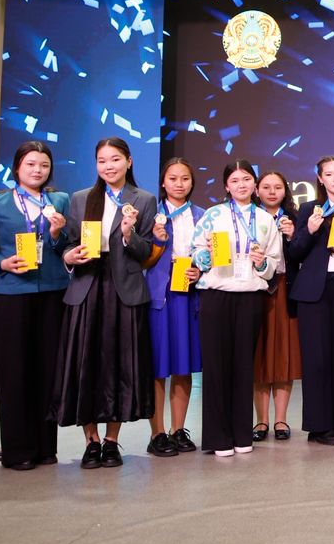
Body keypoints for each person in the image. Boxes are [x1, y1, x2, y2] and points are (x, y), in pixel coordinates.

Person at [55, 137, 158, 469]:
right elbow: (69, 245)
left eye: (115, 159)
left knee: (120, 367)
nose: (108, 166)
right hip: (87, 288)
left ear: (129, 161)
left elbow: (146, 253)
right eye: (102, 160)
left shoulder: (144, 199)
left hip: (124, 290)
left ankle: (112, 440)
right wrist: (69, 256)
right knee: (86, 365)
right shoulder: (81, 198)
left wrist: (129, 234)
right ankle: (91, 441)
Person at [0, 140, 70, 471]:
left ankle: (46, 447)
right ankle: (18, 450)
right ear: (17, 167)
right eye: (31, 164)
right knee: (14, 371)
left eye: (44, 165)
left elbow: (66, 246)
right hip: (13, 295)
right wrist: (2, 264)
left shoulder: (60, 201)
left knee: (48, 370)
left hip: (53, 293)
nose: (37, 170)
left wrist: (58, 234)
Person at [192, 160, 279, 456]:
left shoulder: (265, 219)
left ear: (254, 184)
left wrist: (262, 263)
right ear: (226, 186)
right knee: (216, 366)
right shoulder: (213, 215)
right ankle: (218, 437)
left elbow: (274, 264)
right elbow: (196, 251)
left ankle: (243, 434)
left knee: (244, 365)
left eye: (246, 179)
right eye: (235, 180)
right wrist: (205, 256)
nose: (241, 185)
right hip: (216, 294)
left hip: (250, 296)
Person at [287, 155, 334, 445]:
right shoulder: (309, 209)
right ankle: (318, 427)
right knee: (316, 358)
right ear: (320, 178)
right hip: (312, 291)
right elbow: (294, 252)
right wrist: (310, 230)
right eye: (329, 174)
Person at [142, 158, 203, 457]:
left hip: (189, 295)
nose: (179, 184)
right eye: (173, 178)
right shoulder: (151, 215)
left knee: (183, 363)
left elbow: (215, 256)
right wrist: (157, 241)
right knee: (158, 366)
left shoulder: (203, 216)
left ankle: (179, 429)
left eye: (185, 178)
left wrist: (200, 271)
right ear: (163, 182)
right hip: (159, 296)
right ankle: (157, 433)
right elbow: (140, 258)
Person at [252, 169, 300, 443]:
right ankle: (261, 420)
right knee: (258, 355)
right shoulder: (250, 217)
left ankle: (281, 419)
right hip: (256, 288)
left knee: (284, 355)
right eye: (266, 187)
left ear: (285, 190)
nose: (272, 192)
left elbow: (302, 253)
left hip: (285, 289)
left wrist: (293, 236)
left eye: (278, 187)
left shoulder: (294, 217)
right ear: (257, 190)